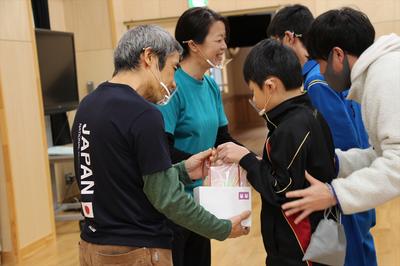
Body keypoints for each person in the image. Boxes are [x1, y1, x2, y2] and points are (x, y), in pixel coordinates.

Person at [72, 25, 250, 266]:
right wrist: (223, 228)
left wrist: (183, 171)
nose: (174, 82)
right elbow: (168, 198)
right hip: (136, 251)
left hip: (91, 247)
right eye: (173, 68)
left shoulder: (87, 106)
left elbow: (124, 178)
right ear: (149, 58)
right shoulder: (144, 114)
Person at [266, 5, 377, 266]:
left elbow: (343, 143)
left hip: (343, 184)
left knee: (354, 256)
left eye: (276, 43)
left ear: (289, 37)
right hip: (354, 181)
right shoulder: (327, 74)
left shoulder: (318, 81)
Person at [217, 38, 338, 265]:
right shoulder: (308, 113)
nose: (253, 99)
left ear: (270, 86)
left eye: (253, 90)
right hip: (317, 236)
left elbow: (280, 189)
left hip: (298, 246)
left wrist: (246, 159)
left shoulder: (290, 127)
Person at [282, 7, 400, 222]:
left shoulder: (386, 77)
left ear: (338, 54)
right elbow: (383, 154)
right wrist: (335, 162)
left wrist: (335, 193)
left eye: (320, 63)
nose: (322, 73)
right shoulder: (378, 72)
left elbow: (397, 162)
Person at [157, 7, 238, 266]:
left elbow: (222, 137)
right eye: (218, 39)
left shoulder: (211, 84)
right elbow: (162, 149)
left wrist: (253, 158)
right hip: (174, 202)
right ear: (193, 44)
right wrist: (200, 162)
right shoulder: (172, 86)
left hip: (202, 200)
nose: (224, 45)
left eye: (225, 38)